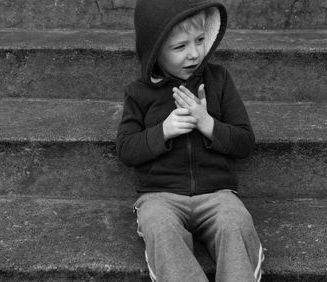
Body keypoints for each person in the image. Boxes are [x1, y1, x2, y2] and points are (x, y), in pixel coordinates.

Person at [116, 0, 264, 281]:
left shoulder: (218, 80)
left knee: (236, 224)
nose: (194, 53)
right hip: (160, 195)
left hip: (218, 193)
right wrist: (164, 131)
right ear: (154, 51)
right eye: (180, 47)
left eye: (199, 40)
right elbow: (126, 148)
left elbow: (245, 141)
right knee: (160, 228)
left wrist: (208, 124)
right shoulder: (138, 93)